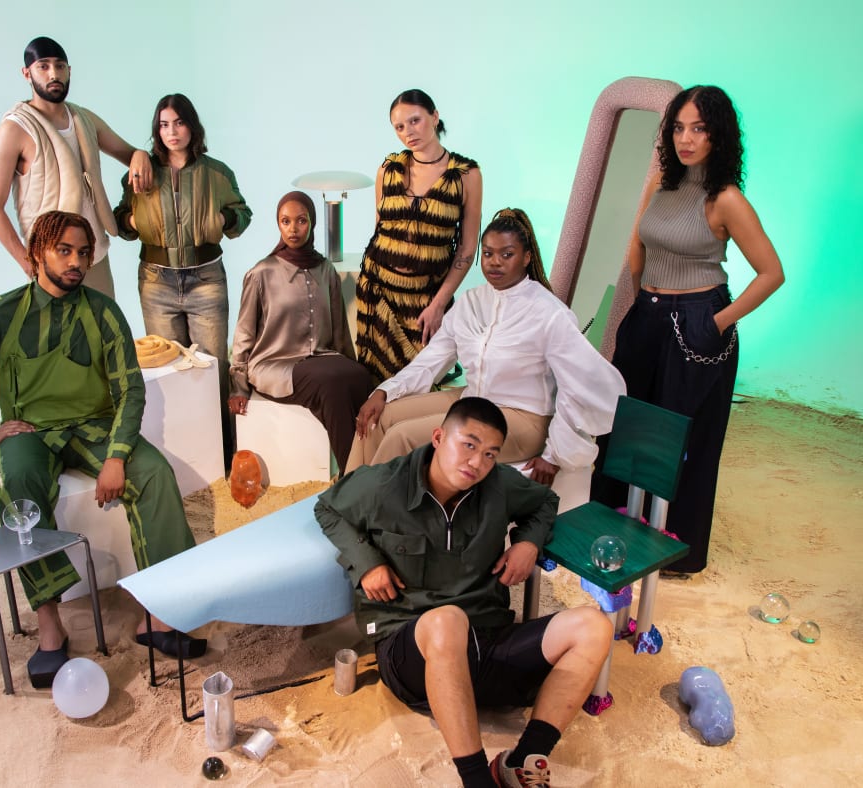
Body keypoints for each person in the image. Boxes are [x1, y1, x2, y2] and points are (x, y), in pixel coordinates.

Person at [0, 211, 205, 690]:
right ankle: (49, 625)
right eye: (64, 250)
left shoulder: (103, 312)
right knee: (19, 489)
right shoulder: (1, 312)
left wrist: (118, 456)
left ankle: (158, 617)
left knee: (156, 474)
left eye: (84, 252)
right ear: (38, 250)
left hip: (95, 427)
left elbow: (130, 390)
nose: (76, 261)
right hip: (32, 433)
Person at [317, 397, 612, 788]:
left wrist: (528, 544)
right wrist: (365, 561)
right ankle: (476, 780)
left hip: (488, 642)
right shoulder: (382, 484)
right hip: (413, 653)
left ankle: (522, 761)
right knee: (447, 620)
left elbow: (544, 503)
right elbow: (328, 509)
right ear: (439, 437)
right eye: (468, 445)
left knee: (594, 625)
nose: (477, 463)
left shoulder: (499, 485)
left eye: (490, 454)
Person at [591, 86, 784, 576]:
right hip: (649, 316)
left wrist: (715, 322)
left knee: (683, 441)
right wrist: (642, 303)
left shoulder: (726, 199)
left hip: (698, 322)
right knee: (627, 424)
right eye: (678, 127)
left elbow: (771, 273)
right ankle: (617, 528)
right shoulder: (661, 182)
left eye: (698, 128)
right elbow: (638, 246)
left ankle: (676, 550)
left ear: (719, 134)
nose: (686, 138)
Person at [349, 209, 626, 485]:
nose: (495, 262)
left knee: (402, 435)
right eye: (488, 253)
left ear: (527, 257)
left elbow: (576, 385)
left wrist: (554, 454)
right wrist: (385, 391)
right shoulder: (471, 302)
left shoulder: (549, 313)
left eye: (507, 254)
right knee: (378, 417)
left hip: (523, 419)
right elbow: (431, 361)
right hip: (472, 402)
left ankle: (375, 514)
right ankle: (347, 500)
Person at [115, 93, 252, 464]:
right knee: (167, 373)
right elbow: (120, 221)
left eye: (178, 122)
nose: (172, 132)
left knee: (212, 370)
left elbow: (243, 215)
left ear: (192, 125)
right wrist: (135, 221)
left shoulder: (216, 172)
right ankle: (181, 457)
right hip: (156, 282)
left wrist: (221, 221)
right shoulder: (142, 174)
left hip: (206, 280)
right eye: (163, 125)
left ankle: (223, 452)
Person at [0, 36, 154, 298]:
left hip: (93, 254)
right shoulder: (15, 129)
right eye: (44, 66)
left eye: (60, 66)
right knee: (58, 336)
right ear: (27, 73)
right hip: (51, 259)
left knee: (102, 333)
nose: (54, 74)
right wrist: (26, 263)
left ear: (69, 71)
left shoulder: (83, 119)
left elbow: (129, 153)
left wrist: (140, 154)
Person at [228, 191, 371, 475]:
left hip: (321, 359)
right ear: (278, 225)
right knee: (331, 385)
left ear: (312, 223)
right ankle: (352, 478)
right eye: (285, 221)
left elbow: (340, 328)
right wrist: (237, 386)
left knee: (360, 378)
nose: (293, 229)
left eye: (301, 221)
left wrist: (350, 366)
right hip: (275, 365)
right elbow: (244, 334)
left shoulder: (325, 269)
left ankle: (375, 469)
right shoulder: (261, 273)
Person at [355, 89, 483, 383]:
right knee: (377, 386)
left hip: (426, 301)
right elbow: (380, 230)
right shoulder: (388, 169)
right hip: (378, 294)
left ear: (435, 117)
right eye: (399, 127)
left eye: (415, 121)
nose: (407, 132)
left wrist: (439, 304)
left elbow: (466, 248)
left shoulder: (466, 174)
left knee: (421, 384)